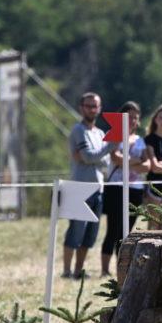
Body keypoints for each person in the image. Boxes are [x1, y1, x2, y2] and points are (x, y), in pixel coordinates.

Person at [63, 92, 118, 279]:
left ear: (100, 108)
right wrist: (108, 147)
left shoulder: (100, 133)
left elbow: (103, 161)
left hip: (99, 187)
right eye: (88, 106)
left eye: (95, 106)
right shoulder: (78, 130)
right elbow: (88, 157)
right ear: (81, 108)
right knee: (76, 230)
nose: (91, 109)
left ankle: (79, 270)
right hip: (79, 187)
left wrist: (95, 156)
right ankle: (66, 271)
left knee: (91, 234)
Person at [99, 101, 149, 276]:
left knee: (126, 232)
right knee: (113, 229)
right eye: (129, 117)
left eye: (135, 118)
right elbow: (117, 158)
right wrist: (136, 161)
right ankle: (104, 270)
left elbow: (146, 165)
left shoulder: (140, 140)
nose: (133, 121)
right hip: (116, 188)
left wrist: (131, 162)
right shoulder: (114, 136)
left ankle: (122, 268)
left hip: (135, 189)